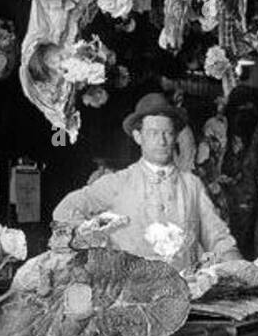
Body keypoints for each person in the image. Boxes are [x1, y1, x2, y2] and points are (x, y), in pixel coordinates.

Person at [51, 92, 241, 273]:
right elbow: (65, 210)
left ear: (175, 136)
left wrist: (240, 267)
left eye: (167, 132)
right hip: (130, 295)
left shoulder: (192, 185)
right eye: (153, 133)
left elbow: (217, 237)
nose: (162, 140)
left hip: (184, 295)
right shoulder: (118, 183)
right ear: (138, 137)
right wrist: (98, 243)